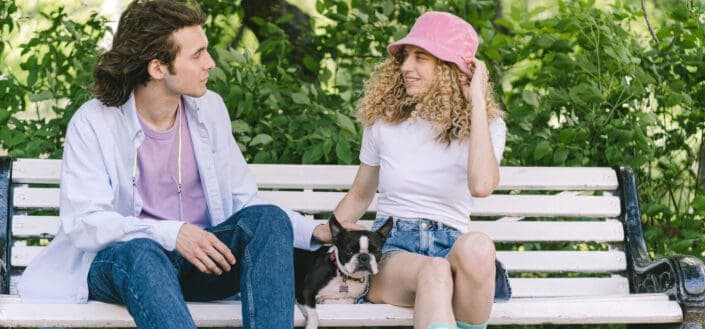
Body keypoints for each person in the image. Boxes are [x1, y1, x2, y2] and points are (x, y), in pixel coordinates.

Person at [17, 1, 332, 328]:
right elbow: (86, 224)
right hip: (123, 266)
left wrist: (317, 230)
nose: (210, 63)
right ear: (157, 68)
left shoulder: (210, 109)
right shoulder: (94, 123)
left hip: (201, 263)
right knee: (143, 252)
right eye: (197, 55)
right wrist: (171, 233)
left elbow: (245, 202)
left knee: (268, 219)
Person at [332, 11, 512, 329]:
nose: (405, 67)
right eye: (405, 57)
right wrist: (330, 231)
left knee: (479, 246)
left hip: (452, 246)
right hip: (393, 250)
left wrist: (478, 104)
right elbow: (361, 193)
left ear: (451, 69)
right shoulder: (384, 122)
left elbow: (482, 185)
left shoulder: (488, 127)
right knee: (434, 271)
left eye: (420, 57)